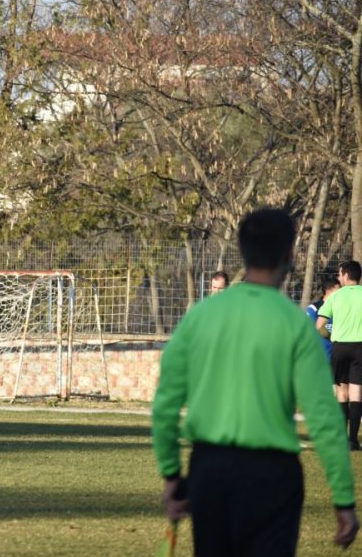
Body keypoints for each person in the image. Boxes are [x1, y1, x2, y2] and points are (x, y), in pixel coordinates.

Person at [152, 208, 358, 555]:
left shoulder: (200, 317)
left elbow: (166, 405)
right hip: (273, 476)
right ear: (290, 253)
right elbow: (323, 418)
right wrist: (343, 499)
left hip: (210, 471)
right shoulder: (294, 326)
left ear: (242, 251)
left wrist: (173, 477)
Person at [317, 261, 362, 450]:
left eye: (340, 273)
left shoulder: (335, 296)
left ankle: (342, 438)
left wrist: (330, 333)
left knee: (341, 393)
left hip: (340, 347)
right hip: (360, 347)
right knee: (356, 393)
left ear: (344, 274)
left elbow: (319, 325)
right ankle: (353, 440)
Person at [308, 277, 340, 362]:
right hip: (320, 358)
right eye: (338, 290)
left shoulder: (341, 308)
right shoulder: (314, 308)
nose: (341, 293)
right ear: (328, 290)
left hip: (339, 357)